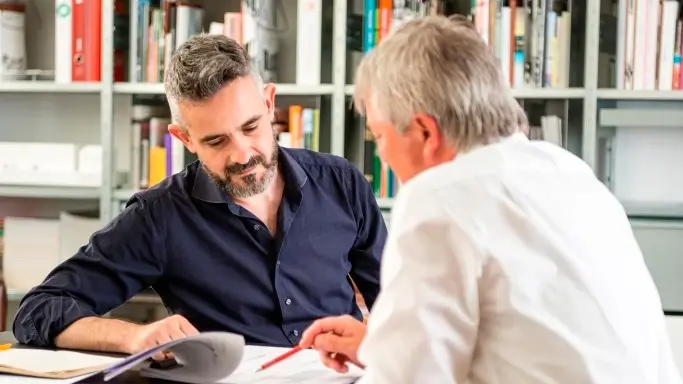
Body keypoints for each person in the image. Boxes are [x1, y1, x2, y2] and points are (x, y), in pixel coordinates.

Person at [299, 15, 682, 384]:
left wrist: (389, 363)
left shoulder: (438, 198)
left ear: (425, 133)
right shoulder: (569, 172)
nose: (381, 154)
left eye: (379, 136)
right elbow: (530, 336)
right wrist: (383, 348)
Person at [12, 34, 386, 358]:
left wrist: (376, 340)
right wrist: (134, 336)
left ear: (269, 103)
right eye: (216, 140)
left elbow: (399, 303)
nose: (242, 154)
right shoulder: (159, 217)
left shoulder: (342, 183)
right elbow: (39, 310)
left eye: (251, 126)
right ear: (184, 139)